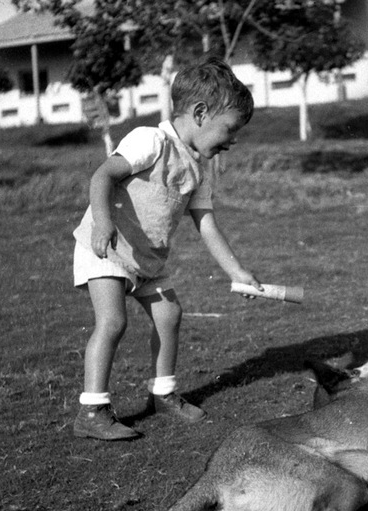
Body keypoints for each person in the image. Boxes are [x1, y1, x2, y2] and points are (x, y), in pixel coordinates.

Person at [71, 55, 261, 440]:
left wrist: (237, 271)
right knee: (113, 322)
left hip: (148, 259)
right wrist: (104, 223)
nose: (232, 140)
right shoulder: (151, 141)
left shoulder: (198, 170)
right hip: (108, 248)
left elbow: (207, 225)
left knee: (170, 315)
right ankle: (91, 411)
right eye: (229, 129)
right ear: (201, 113)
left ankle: (163, 393)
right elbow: (103, 176)